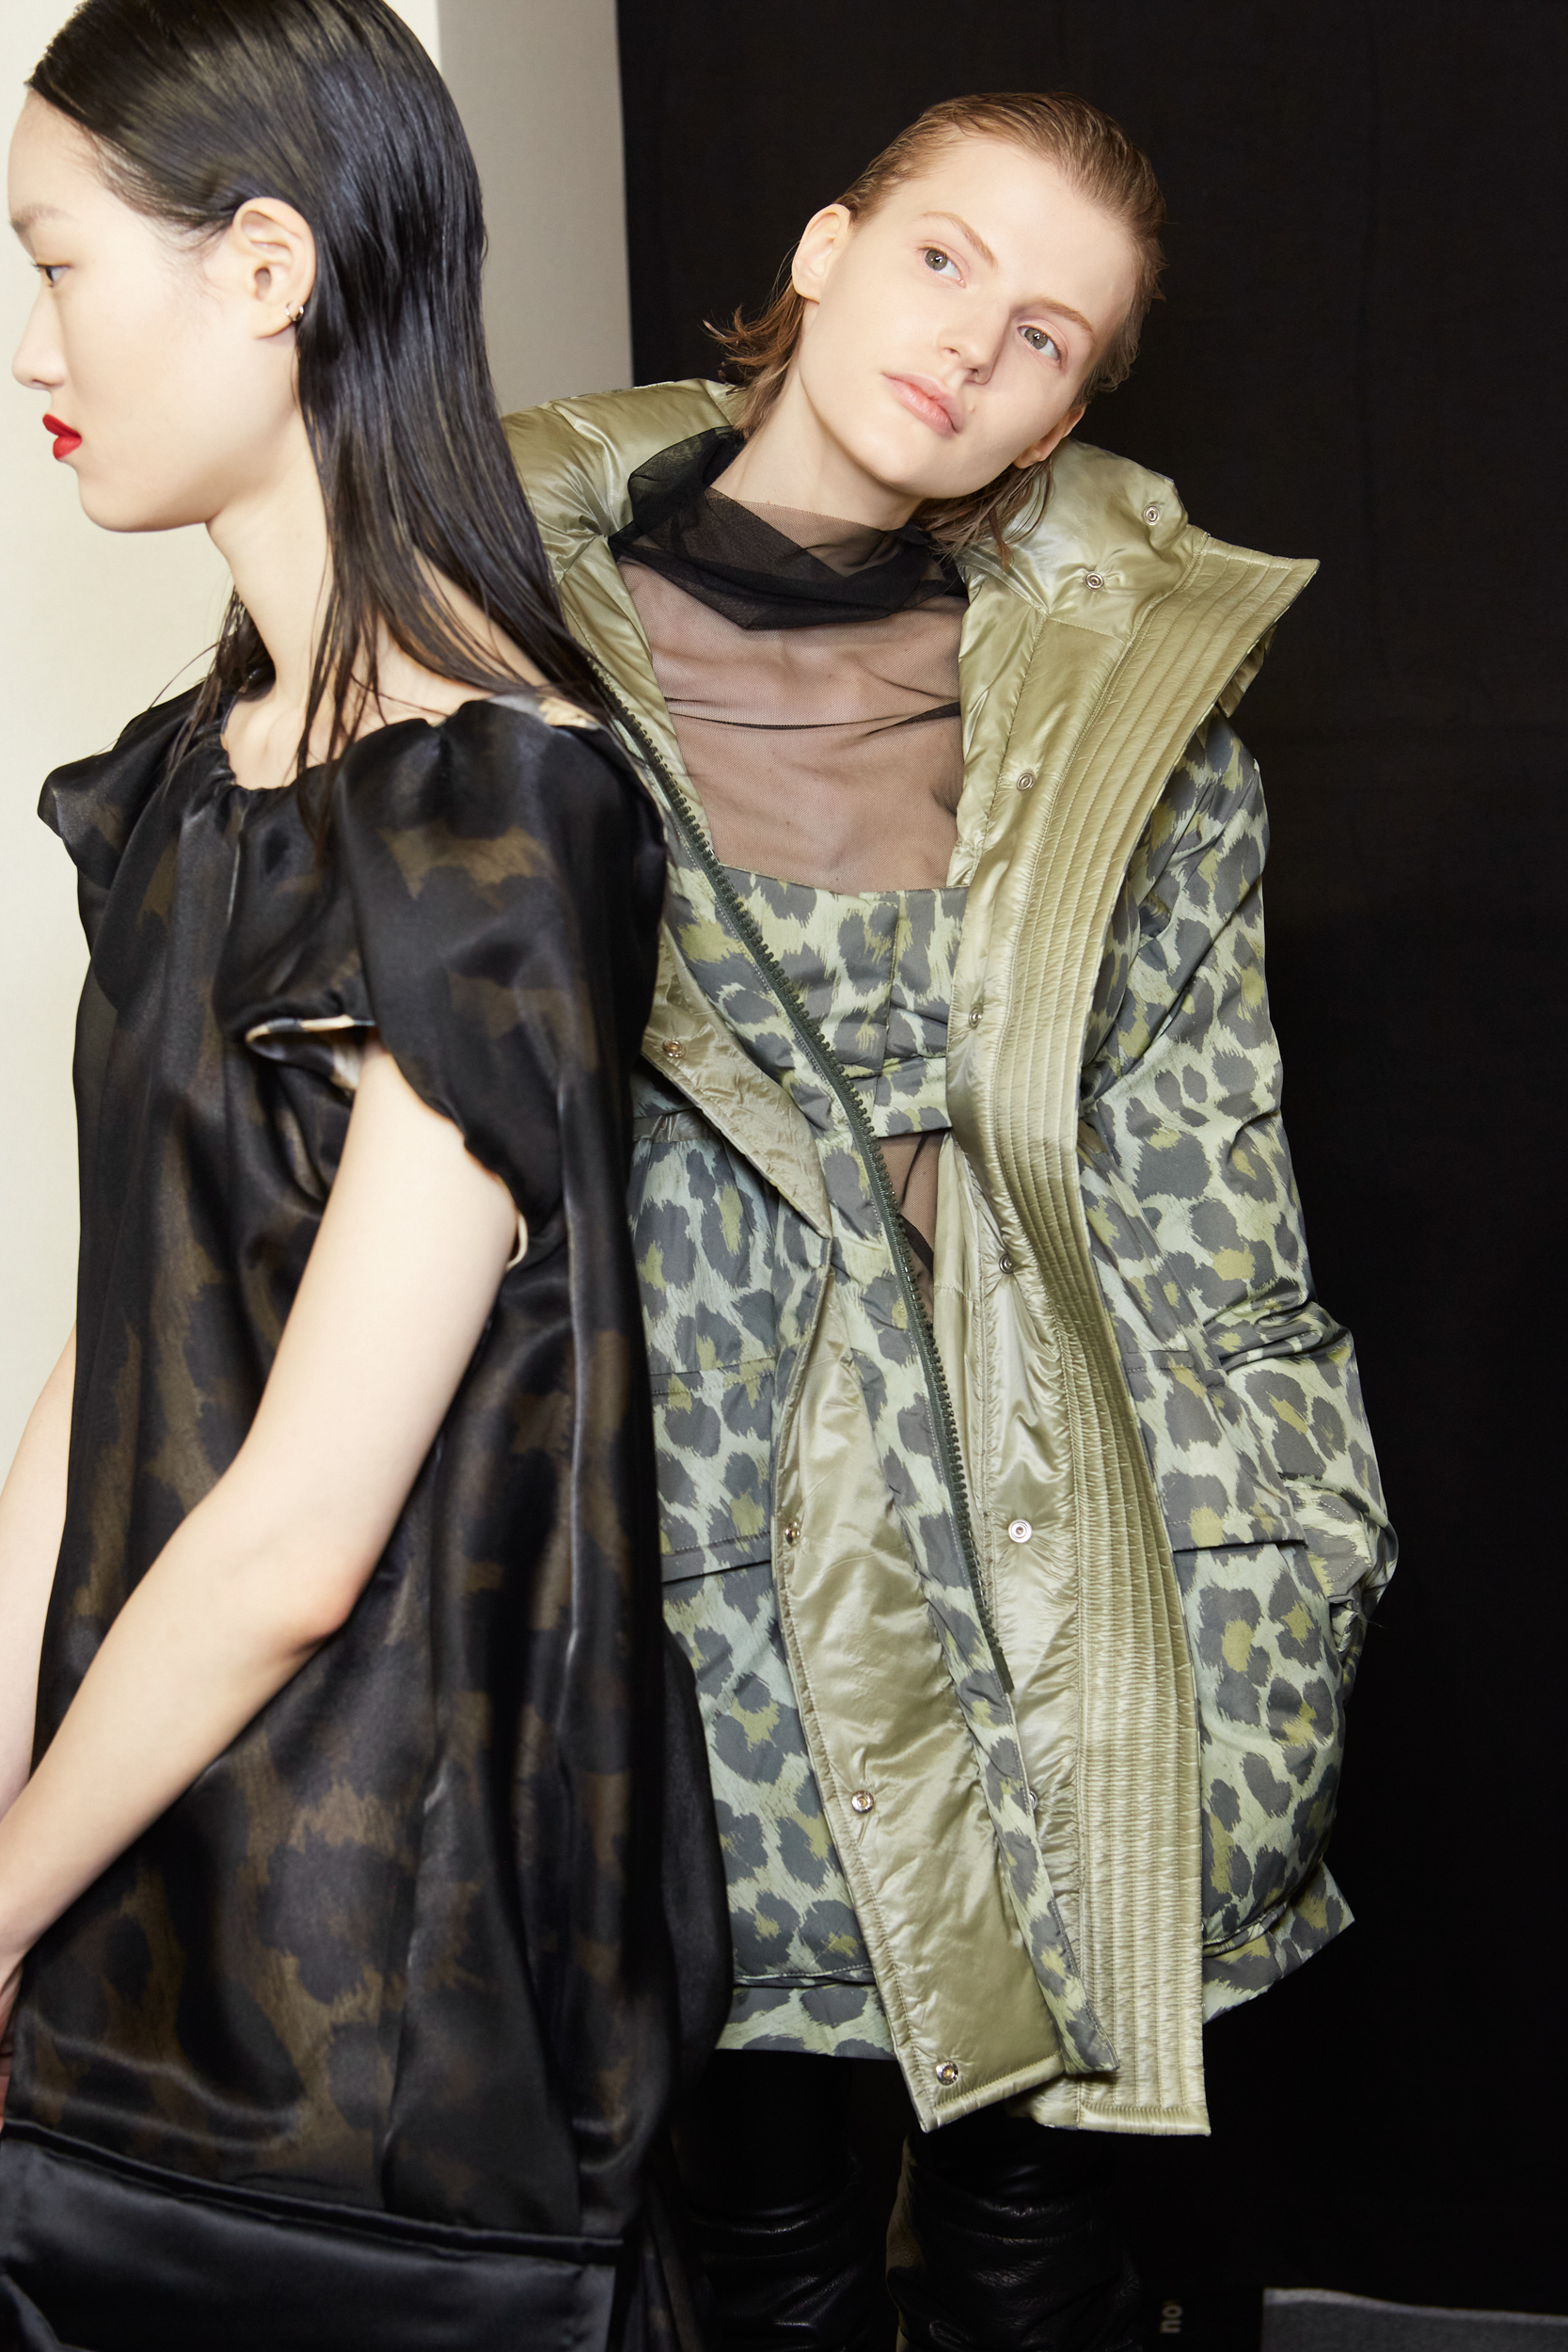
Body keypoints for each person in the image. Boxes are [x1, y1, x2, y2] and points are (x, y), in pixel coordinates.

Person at [504, 90, 1397, 2351]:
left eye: (1047, 336)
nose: (973, 346)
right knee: (760, 2255)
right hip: (689, 1581)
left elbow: (1217, 1201)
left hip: (1061, 1571)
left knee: (1031, 2263)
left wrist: (1288, 1564)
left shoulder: (1143, 728)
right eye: (941, 260)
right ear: (823, 247)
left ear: (1064, 415)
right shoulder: (489, 649)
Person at [0, 2, 724, 2344]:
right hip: (127, 1881)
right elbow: (112, 1367)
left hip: (360, 1995)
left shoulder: (502, 804)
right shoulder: (181, 787)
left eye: (57, 261)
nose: (35, 344)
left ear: (264, 267)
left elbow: (310, 1530)